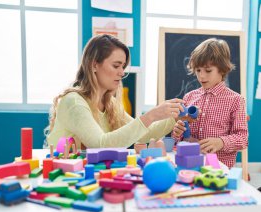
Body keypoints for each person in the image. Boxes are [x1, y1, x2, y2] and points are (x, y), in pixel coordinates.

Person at [47, 34, 183, 149]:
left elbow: (143, 134)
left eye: (123, 66)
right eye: (116, 65)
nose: (122, 72)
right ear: (94, 65)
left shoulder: (109, 103)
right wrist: (151, 115)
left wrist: (174, 118)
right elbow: (100, 144)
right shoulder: (74, 102)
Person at [172, 38, 248, 168]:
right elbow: (178, 137)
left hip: (218, 168)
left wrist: (221, 142)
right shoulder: (189, 96)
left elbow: (242, 138)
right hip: (190, 164)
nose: (201, 76)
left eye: (208, 71)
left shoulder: (236, 100)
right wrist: (177, 133)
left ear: (222, 70)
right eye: (198, 70)